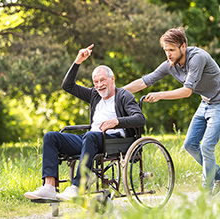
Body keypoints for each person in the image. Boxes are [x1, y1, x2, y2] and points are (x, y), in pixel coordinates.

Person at [123, 27, 220, 196]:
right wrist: (116, 93)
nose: (168, 54)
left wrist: (160, 95)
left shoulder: (197, 58)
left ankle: (207, 191)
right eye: (165, 50)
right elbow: (144, 81)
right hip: (206, 102)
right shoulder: (171, 64)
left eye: (171, 50)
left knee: (206, 145)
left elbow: (186, 91)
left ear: (183, 46)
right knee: (190, 145)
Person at [24, 44, 146, 201]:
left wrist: (116, 122)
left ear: (112, 79)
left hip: (113, 141)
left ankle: (76, 187)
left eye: (103, 80)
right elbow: (67, 86)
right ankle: (49, 187)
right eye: (96, 82)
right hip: (90, 139)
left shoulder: (124, 96)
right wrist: (78, 61)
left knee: (90, 136)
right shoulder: (94, 95)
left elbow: (140, 119)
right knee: (51, 137)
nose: (99, 85)